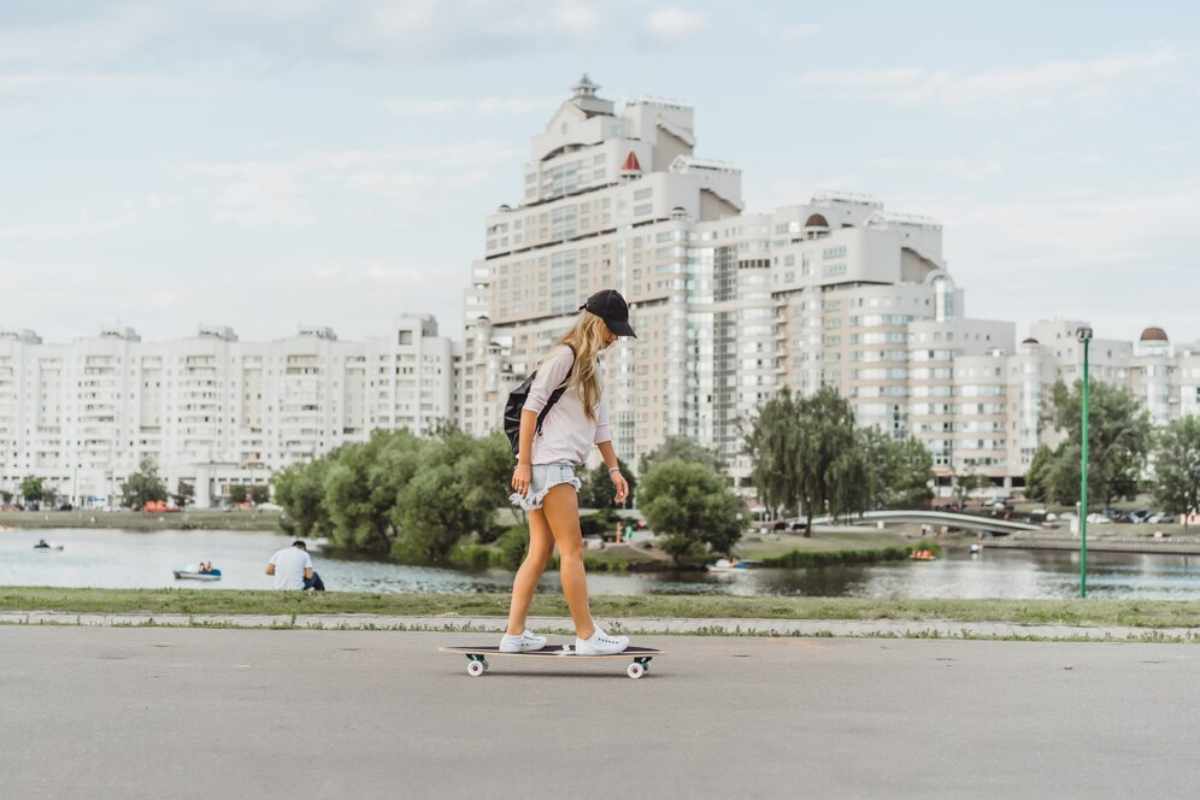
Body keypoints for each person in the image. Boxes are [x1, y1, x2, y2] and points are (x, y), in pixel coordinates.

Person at [505, 289, 636, 656]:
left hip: (550, 466)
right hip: (549, 465)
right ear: (597, 324)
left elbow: (601, 426)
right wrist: (524, 462)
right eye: (613, 330)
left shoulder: (591, 368)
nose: (615, 339)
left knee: (540, 550)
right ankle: (587, 635)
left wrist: (614, 469)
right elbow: (530, 409)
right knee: (572, 550)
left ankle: (513, 634)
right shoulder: (564, 356)